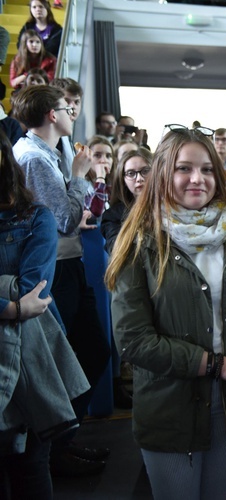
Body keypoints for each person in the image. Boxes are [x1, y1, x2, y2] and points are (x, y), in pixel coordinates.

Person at [105, 128, 226, 499]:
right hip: (170, 410)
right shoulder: (139, 241)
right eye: (184, 168)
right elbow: (133, 341)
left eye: (208, 169)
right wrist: (217, 364)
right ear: (162, 172)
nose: (198, 179)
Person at [12, 84, 111, 477]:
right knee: (68, 361)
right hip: (50, 272)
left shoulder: (48, 152)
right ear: (52, 115)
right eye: (68, 107)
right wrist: (80, 177)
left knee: (91, 352)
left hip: (68, 265)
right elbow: (66, 219)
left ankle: (61, 444)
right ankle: (53, 451)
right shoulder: (34, 157)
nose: (73, 112)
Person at [0, 127, 90, 500]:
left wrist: (16, 302)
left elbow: (32, 291)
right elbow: (19, 300)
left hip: (29, 352)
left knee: (30, 465)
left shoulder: (33, 216)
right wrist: (9, 307)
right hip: (20, 330)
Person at [101, 147, 152, 254]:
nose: (139, 179)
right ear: (123, 180)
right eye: (131, 173)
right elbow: (116, 251)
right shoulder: (113, 216)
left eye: (146, 171)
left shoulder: (171, 206)